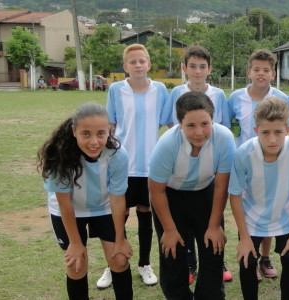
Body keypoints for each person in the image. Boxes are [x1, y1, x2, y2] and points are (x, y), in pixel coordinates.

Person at [38, 103, 133, 300]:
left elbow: (117, 200)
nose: (94, 141)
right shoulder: (60, 155)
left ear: (110, 131)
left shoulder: (117, 155)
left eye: (101, 133)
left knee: (120, 259)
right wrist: (75, 243)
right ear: (74, 131)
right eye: (86, 134)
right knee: (76, 264)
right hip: (69, 210)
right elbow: (65, 204)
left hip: (104, 207)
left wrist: (120, 239)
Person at [149, 91, 235, 299]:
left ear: (213, 120)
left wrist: (214, 226)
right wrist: (169, 230)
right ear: (179, 124)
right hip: (170, 197)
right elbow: (156, 190)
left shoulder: (224, 138)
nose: (199, 132)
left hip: (205, 193)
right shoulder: (167, 144)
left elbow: (221, 186)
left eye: (205, 124)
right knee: (173, 252)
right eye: (191, 126)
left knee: (213, 248)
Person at [100, 43, 173, 288]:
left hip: (150, 167)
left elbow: (168, 125)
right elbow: (110, 127)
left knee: (145, 215)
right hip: (122, 165)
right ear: (125, 67)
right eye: (133, 62)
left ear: (149, 63)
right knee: (117, 215)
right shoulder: (116, 90)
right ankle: (113, 262)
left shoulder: (160, 90)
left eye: (142, 61)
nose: (138, 65)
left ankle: (144, 263)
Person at [229, 97, 289, 300]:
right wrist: (244, 237)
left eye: (278, 132)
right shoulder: (244, 153)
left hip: (286, 218)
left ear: (288, 130)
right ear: (257, 131)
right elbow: (235, 195)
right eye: (266, 132)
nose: (272, 139)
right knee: (247, 260)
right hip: (252, 219)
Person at [170, 44, 233, 283]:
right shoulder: (176, 92)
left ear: (210, 69)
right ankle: (190, 265)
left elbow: (223, 126)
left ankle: (219, 261)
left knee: (213, 214)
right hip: (185, 164)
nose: (197, 71)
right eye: (193, 66)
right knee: (186, 221)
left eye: (202, 66)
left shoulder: (218, 94)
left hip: (211, 163)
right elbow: (172, 127)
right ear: (185, 68)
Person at [228, 48, 289, 279]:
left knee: (270, 210)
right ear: (249, 72)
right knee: (245, 213)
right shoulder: (235, 97)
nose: (261, 74)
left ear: (273, 73)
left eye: (266, 70)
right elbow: (228, 128)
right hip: (244, 166)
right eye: (257, 69)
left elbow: (286, 131)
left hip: (274, 164)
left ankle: (265, 257)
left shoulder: (281, 98)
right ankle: (249, 256)